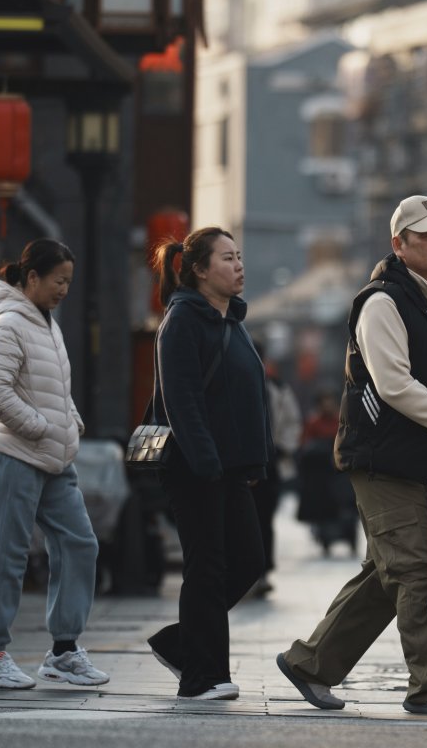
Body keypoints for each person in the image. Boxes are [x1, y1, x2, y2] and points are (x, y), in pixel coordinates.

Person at [276, 194, 427, 716]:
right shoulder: (382, 301)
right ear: (399, 244)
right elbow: (394, 385)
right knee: (415, 570)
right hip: (382, 458)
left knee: (385, 578)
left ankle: (309, 665)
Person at [0, 238, 108, 689]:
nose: (64, 288)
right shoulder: (10, 322)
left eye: (69, 281)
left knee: (80, 544)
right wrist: (38, 426)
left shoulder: (46, 322)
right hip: (14, 456)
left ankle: (64, 652)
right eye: (58, 280)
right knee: (5, 557)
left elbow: (52, 387)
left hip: (54, 458)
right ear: (31, 278)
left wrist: (69, 420)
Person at [145, 227, 271, 700]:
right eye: (226, 258)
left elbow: (250, 397)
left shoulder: (232, 322)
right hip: (196, 467)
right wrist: (206, 463)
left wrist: (256, 458)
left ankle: (183, 646)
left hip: (232, 469)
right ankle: (202, 676)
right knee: (208, 568)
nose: (238, 266)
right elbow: (183, 402)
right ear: (198, 269)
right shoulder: (181, 322)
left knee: (248, 561)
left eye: (239, 257)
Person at [249, 340, 302, 598]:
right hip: (241, 464)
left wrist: (282, 448)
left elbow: (293, 422)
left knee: (264, 519)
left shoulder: (279, 389)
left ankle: (262, 572)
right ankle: (242, 571)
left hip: (271, 464)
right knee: (241, 520)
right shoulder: (235, 385)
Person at [296, 389, 358, 556]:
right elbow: (304, 446)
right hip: (321, 476)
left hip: (339, 475)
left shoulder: (341, 420)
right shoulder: (313, 423)